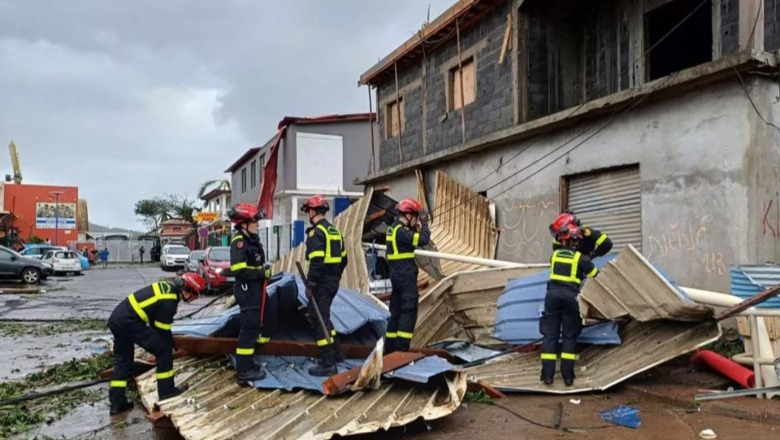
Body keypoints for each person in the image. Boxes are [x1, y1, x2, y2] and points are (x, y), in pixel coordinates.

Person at [107, 272, 205, 415]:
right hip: (130, 322)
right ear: (187, 289)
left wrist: (167, 339)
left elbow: (155, 320)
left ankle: (117, 403)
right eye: (195, 294)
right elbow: (162, 330)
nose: (194, 298)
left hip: (117, 320)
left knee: (123, 362)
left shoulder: (166, 288)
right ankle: (167, 392)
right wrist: (170, 345)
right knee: (164, 352)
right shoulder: (170, 299)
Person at [539, 225, 598, 387]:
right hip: (571, 298)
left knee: (550, 336)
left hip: (552, 296)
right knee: (569, 336)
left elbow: (555, 243)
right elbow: (595, 274)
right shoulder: (581, 258)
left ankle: (548, 376)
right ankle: (568, 377)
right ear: (577, 242)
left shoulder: (555, 255)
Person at [301, 195, 347, 376]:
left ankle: (328, 363)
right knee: (324, 317)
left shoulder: (316, 233)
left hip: (320, 283)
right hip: (332, 281)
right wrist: (334, 275)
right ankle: (336, 353)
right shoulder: (334, 231)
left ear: (312, 212)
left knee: (317, 318)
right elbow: (344, 259)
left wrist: (311, 283)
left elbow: (317, 261)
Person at [227, 203, 272, 384]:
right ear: (244, 224)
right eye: (254, 221)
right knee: (249, 328)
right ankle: (244, 370)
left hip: (255, 290)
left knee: (254, 327)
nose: (258, 224)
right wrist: (261, 273)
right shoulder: (239, 243)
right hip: (247, 291)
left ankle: (248, 362)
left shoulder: (251, 240)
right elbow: (239, 270)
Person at [384, 198, 430, 354]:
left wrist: (415, 228)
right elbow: (423, 240)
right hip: (406, 278)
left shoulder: (393, 229)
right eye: (416, 216)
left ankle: (389, 350)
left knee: (395, 312)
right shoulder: (401, 231)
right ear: (409, 215)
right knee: (408, 312)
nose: (417, 219)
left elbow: (407, 243)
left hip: (396, 277)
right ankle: (401, 351)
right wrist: (424, 224)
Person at [549, 210, 613, 259]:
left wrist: (592, 255)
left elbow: (607, 243)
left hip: (586, 266)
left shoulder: (586, 233)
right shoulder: (558, 238)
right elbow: (556, 251)